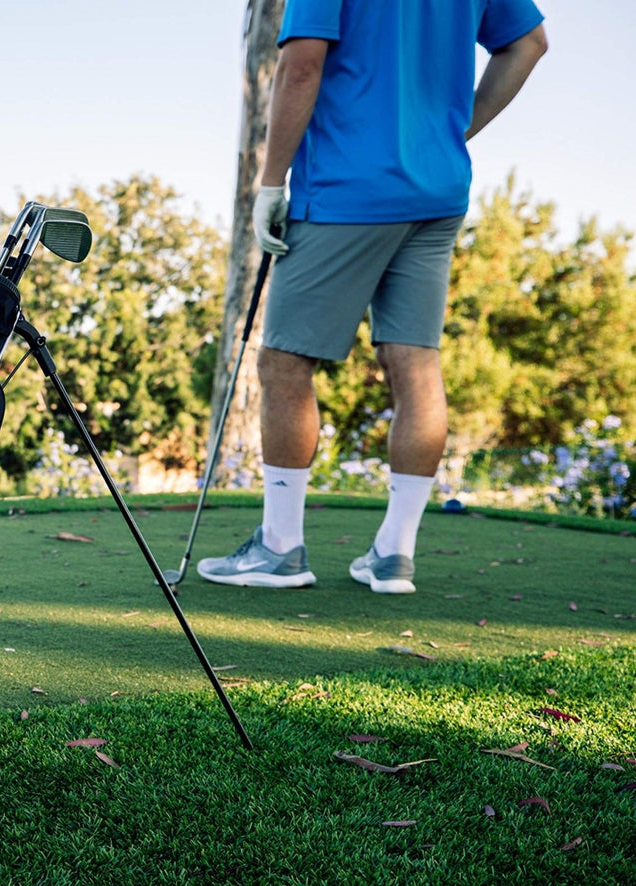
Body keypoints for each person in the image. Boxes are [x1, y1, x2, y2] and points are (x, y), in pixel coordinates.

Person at [198, 0, 547, 594]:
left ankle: (280, 548)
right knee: (414, 360)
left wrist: (270, 183)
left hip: (344, 189)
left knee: (283, 360)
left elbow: (302, 65)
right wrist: (450, 131)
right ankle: (393, 555)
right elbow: (529, 43)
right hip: (437, 191)